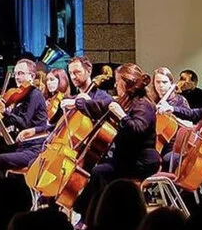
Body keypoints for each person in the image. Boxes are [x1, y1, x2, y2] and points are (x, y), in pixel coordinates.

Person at [66, 63, 159, 216]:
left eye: (118, 80)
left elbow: (137, 129)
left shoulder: (144, 105)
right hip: (126, 157)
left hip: (141, 160)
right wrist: (79, 102)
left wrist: (121, 115)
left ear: (127, 82)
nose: (115, 84)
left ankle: (95, 215)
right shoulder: (126, 101)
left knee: (100, 171)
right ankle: (88, 214)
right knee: (100, 168)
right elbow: (100, 107)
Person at [0, 57, 48, 216]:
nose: (17, 77)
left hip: (33, 150)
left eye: (21, 73)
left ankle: (1, 206)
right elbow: (11, 124)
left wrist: (6, 111)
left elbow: (25, 123)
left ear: (31, 77)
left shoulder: (35, 95)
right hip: (19, 146)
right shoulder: (20, 96)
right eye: (16, 74)